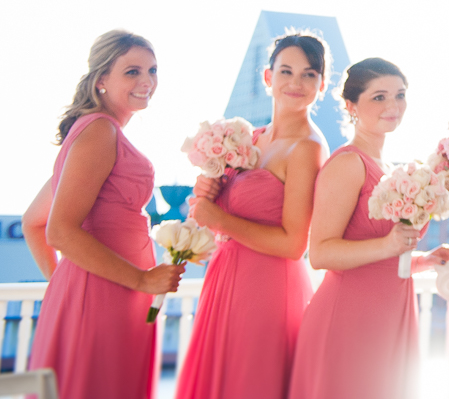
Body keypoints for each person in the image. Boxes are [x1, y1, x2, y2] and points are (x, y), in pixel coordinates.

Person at [288, 58, 449, 399]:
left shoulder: (390, 169)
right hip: (349, 321)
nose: (393, 106)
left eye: (399, 95)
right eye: (379, 97)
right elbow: (322, 253)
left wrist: (421, 260)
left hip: (390, 314)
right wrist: (388, 245)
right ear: (351, 106)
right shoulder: (347, 164)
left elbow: (380, 257)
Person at [22, 31, 184, 399]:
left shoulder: (94, 131)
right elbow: (58, 231)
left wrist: (67, 286)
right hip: (108, 298)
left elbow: (34, 221)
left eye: (152, 70)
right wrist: (141, 280)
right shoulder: (98, 131)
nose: (147, 81)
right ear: (101, 80)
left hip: (100, 294)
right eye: (132, 72)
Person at [176, 34, 330, 399]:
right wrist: (207, 194)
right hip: (224, 279)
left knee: (249, 384)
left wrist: (221, 219)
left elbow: (294, 245)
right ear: (267, 77)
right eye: (286, 71)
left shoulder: (306, 149)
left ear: (321, 86)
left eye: (309, 75)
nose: (295, 83)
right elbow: (210, 220)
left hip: (267, 289)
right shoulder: (251, 138)